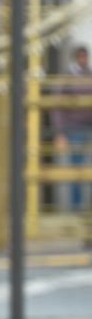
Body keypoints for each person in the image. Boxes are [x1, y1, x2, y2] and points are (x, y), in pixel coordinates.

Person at [53, 45, 92, 212]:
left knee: (88, 171)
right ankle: (77, 210)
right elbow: (58, 107)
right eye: (81, 57)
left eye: (86, 57)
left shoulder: (90, 75)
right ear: (77, 58)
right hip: (74, 129)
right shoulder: (67, 78)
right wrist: (61, 132)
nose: (84, 60)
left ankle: (86, 209)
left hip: (89, 128)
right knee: (76, 171)